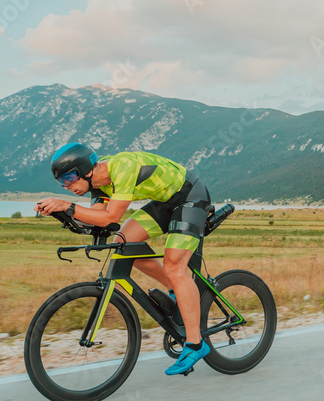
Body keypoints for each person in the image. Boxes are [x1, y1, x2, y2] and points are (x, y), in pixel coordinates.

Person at [34, 142, 211, 376]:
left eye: (68, 179)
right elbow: (96, 216)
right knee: (123, 241)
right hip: (165, 202)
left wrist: (68, 206)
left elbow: (111, 217)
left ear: (85, 170)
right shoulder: (97, 185)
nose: (66, 186)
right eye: (61, 183)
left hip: (190, 196)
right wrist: (61, 212)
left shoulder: (122, 168)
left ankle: (195, 344)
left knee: (175, 267)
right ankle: (175, 292)